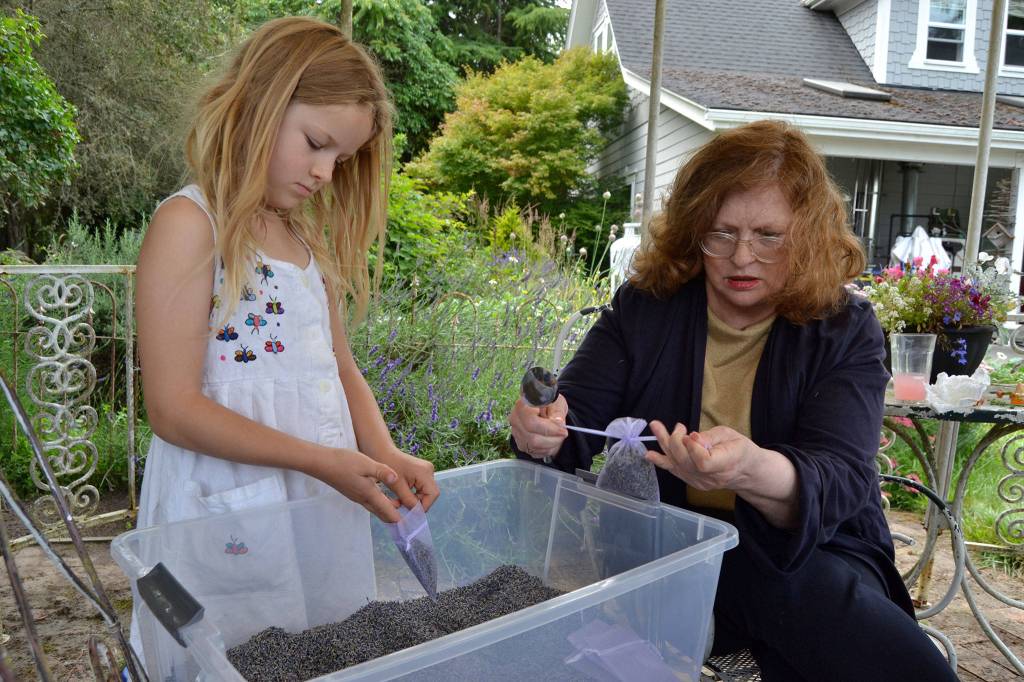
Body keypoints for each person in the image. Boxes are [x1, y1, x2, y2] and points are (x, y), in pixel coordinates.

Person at [508, 120, 957, 681]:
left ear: (808, 234)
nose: (743, 256)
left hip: (814, 550)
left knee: (913, 670)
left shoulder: (843, 326)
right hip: (672, 547)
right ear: (694, 230)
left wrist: (748, 469)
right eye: (721, 234)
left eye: (769, 235)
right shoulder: (647, 309)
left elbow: (841, 481)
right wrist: (539, 429)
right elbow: (571, 428)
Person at [132, 17, 438, 676]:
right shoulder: (190, 226)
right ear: (259, 102)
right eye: (317, 143)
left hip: (318, 507)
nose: (327, 173)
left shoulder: (303, 241)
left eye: (343, 158)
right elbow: (173, 407)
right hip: (224, 517)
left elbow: (342, 369)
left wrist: (380, 451)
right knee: (226, 655)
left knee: (319, 646)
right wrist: (322, 461)